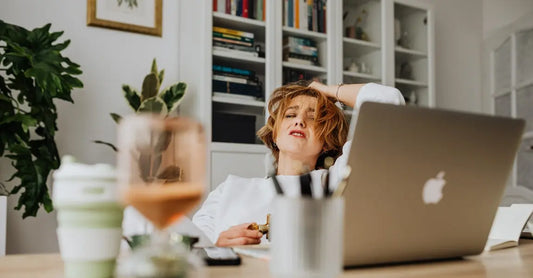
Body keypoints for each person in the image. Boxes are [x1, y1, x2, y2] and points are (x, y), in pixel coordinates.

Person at [192, 81, 405, 247]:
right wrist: (218, 247)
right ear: (274, 134)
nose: (299, 121)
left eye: (312, 118)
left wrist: (325, 90)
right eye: (290, 114)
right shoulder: (228, 190)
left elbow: (389, 102)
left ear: (326, 143)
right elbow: (189, 251)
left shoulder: (337, 182)